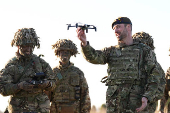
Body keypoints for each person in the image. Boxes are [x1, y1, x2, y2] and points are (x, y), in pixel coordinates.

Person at [76, 17, 165, 113]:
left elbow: (155, 75)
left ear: (128, 27)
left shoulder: (145, 51)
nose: (116, 30)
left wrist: (147, 96)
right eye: (114, 28)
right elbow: (94, 57)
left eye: (118, 27)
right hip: (115, 105)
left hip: (136, 105)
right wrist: (84, 43)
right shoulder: (111, 51)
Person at [0, 28, 56, 113]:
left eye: (31, 46)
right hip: (19, 109)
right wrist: (19, 86)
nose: (28, 49)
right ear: (19, 46)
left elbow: (54, 82)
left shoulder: (41, 63)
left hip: (39, 108)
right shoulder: (12, 65)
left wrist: (47, 84)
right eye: (25, 46)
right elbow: (3, 89)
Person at [50, 39, 91, 113]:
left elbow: (85, 95)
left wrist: (85, 111)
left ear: (71, 54)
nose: (65, 54)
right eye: (62, 51)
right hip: (55, 109)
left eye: (67, 52)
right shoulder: (52, 73)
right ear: (58, 53)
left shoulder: (78, 73)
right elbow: (46, 95)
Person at [132, 31, 166, 113]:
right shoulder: (127, 64)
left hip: (146, 109)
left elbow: (160, 90)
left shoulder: (156, 67)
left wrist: (146, 98)